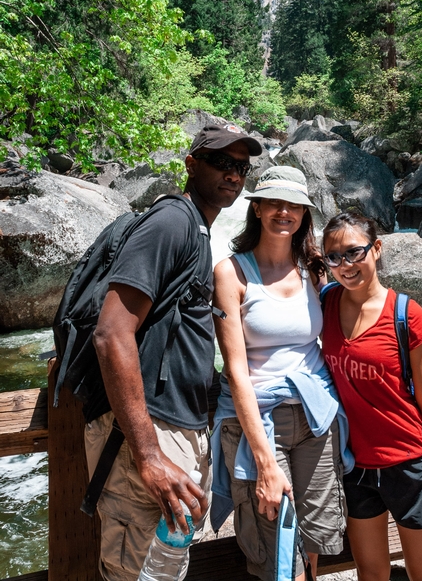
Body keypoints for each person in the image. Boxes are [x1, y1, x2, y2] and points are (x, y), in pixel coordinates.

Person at [84, 123, 262, 581]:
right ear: (191, 164)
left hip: (174, 429)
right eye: (222, 163)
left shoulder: (197, 230)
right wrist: (148, 456)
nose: (233, 176)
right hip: (144, 438)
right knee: (135, 571)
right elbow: (112, 334)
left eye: (241, 168)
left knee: (162, 568)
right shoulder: (171, 223)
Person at [211, 166, 353, 581]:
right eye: (274, 202)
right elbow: (236, 371)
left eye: (294, 205)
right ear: (257, 209)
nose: (284, 212)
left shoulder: (313, 267)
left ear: (305, 214)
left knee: (314, 537)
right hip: (258, 419)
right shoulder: (231, 272)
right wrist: (265, 462)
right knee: (273, 541)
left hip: (315, 416)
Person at [320, 211, 422, 581]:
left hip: (408, 466)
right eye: (333, 257)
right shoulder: (326, 303)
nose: (345, 265)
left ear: (376, 249)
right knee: (371, 573)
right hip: (356, 466)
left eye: (353, 252)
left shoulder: (406, 315)